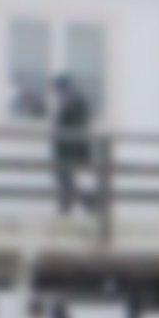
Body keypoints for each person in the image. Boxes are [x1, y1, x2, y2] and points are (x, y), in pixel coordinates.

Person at [49, 73, 94, 215]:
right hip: (70, 151)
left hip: (71, 151)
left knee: (69, 182)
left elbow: (75, 126)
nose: (57, 94)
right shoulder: (72, 101)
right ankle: (82, 205)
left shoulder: (73, 102)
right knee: (69, 182)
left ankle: (85, 205)